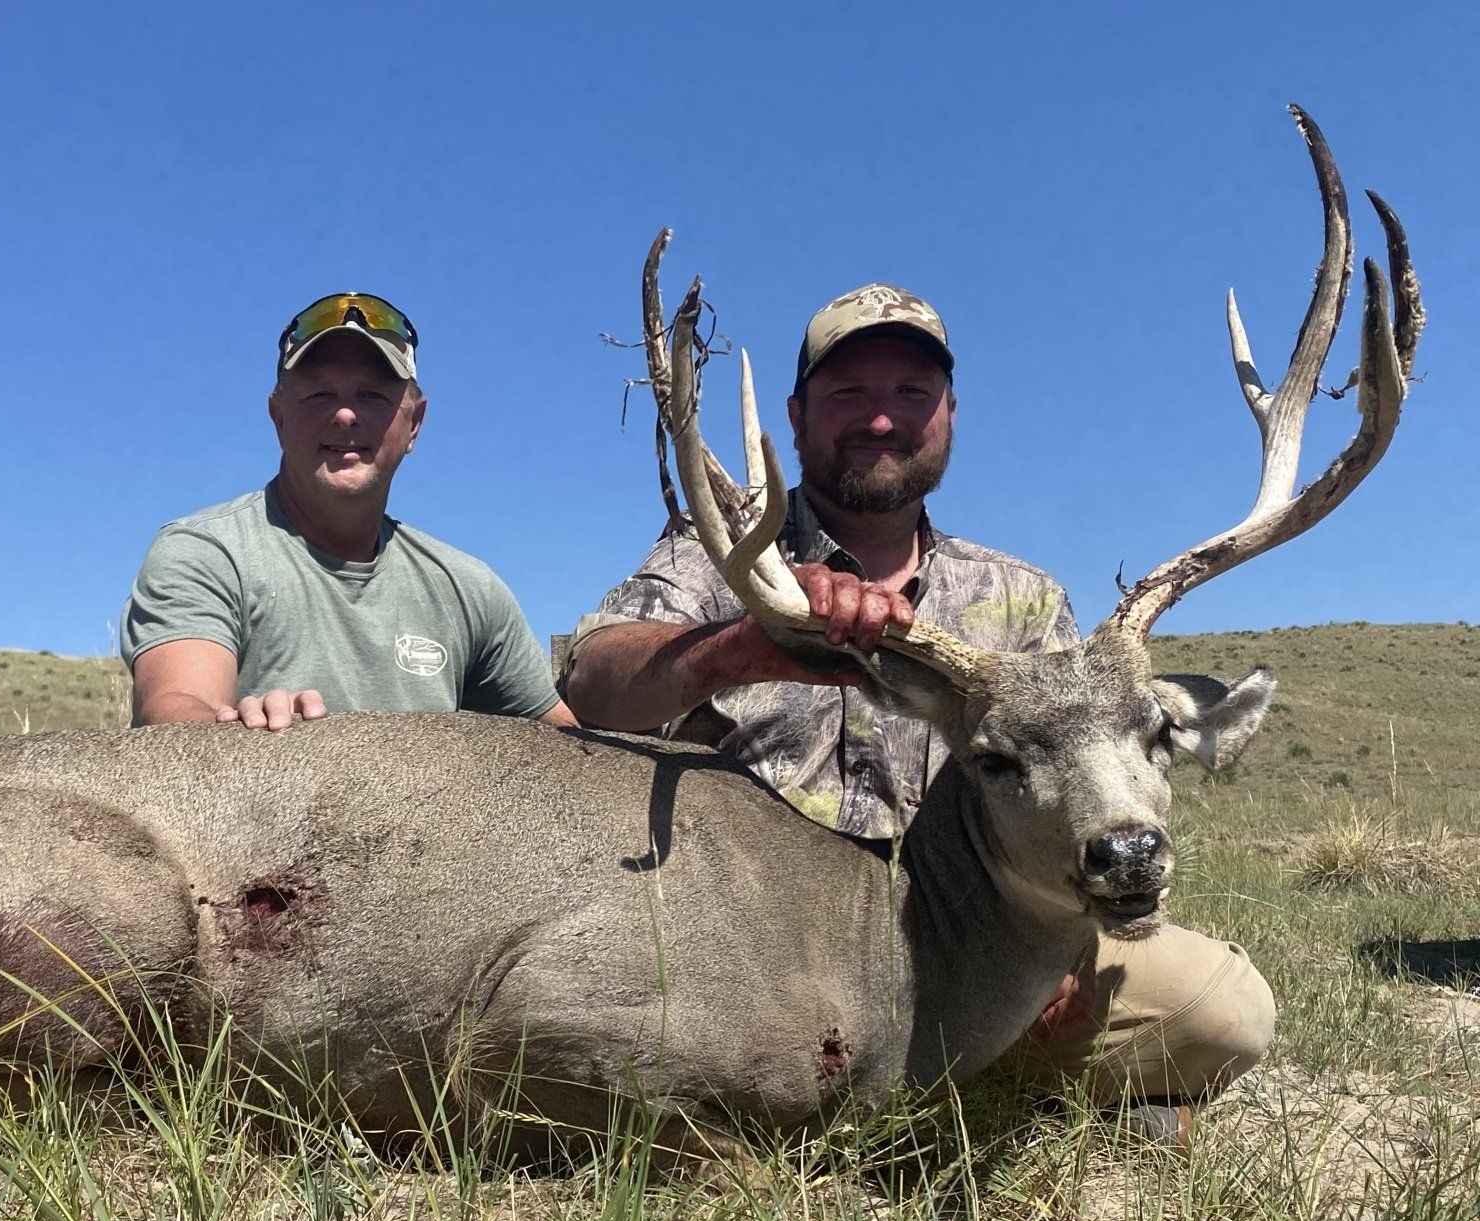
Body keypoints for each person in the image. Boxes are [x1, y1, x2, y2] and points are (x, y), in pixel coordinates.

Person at [561, 284, 1275, 1140]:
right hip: (756, 931)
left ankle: (999, 1065)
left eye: (911, 394)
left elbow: (1086, 768)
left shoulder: (1022, 598)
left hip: (983, 926)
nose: (882, 419)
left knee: (1228, 1014)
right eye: (849, 394)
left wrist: (1074, 949)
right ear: (795, 416)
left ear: (948, 413)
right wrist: (747, 642)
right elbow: (592, 683)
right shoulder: (717, 562)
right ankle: (977, 1092)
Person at [124, 292, 577, 730]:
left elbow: (562, 748)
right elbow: (175, 712)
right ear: (278, 417)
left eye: (373, 396)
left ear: (414, 424)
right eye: (319, 395)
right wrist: (242, 732)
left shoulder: (469, 589)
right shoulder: (206, 552)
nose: (345, 415)